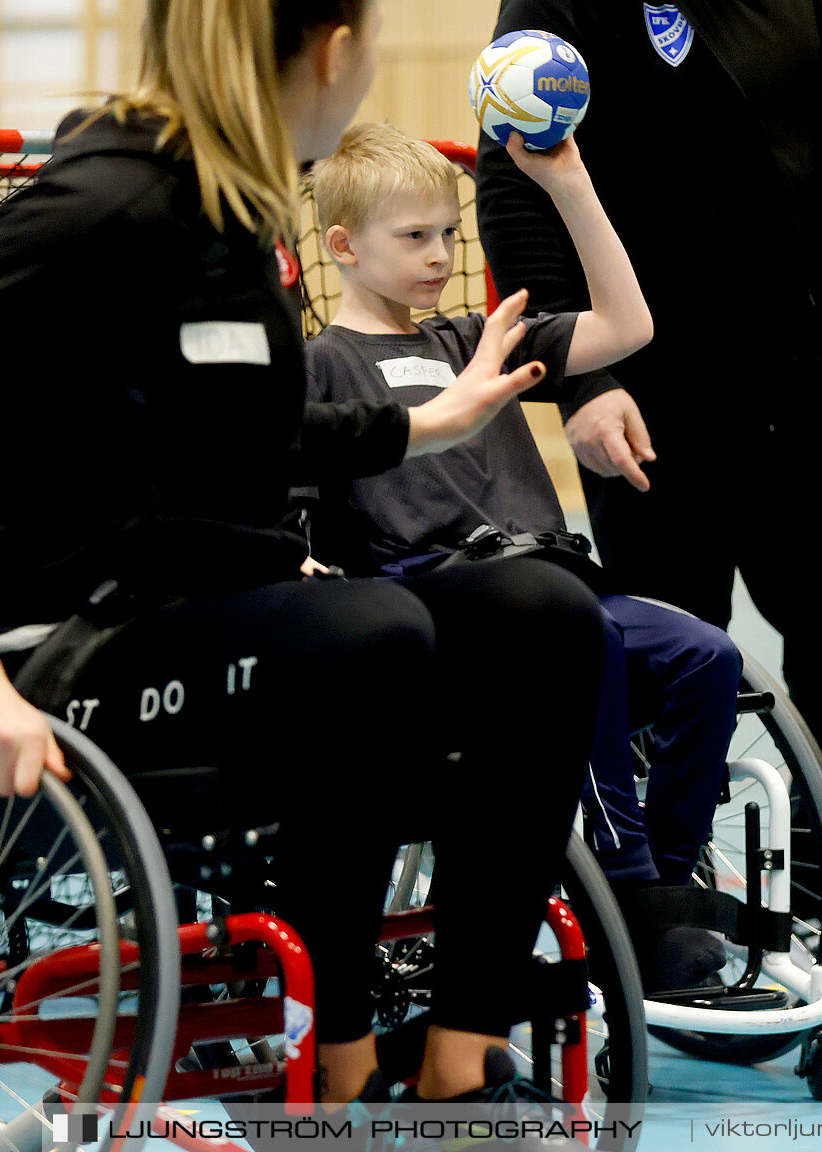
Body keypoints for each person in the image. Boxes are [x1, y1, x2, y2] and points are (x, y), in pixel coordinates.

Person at [0, 0, 605, 1119]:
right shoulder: (100, 204)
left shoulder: (237, 215)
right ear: (333, 51)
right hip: (66, 661)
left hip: (217, 618)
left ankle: (457, 1065)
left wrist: (431, 422)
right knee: (378, 636)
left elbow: (245, 426)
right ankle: (331, 1066)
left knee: (545, 613)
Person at [475, 0, 822, 1010]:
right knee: (670, 663)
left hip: (810, 383)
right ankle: (666, 909)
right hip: (649, 391)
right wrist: (577, 377)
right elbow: (514, 174)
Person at [302, 122, 739, 992]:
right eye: (414, 237)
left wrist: (571, 183)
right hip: (447, 609)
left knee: (707, 655)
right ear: (343, 246)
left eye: (449, 235)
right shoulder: (321, 366)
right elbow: (298, 510)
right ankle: (625, 890)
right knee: (585, 641)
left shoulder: (475, 339)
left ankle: (660, 885)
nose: (439, 256)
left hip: (556, 575)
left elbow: (629, 324)